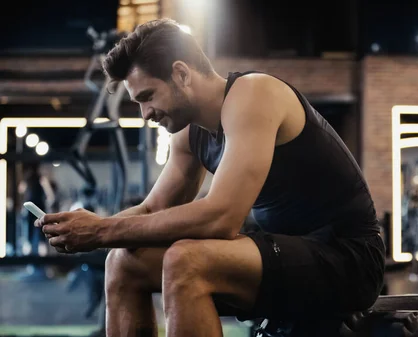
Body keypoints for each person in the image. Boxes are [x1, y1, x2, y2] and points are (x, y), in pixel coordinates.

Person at [36, 18, 385, 336]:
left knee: (186, 261)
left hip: (348, 258)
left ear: (182, 74)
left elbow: (221, 218)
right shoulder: (188, 135)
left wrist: (101, 231)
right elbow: (152, 210)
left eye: (147, 97)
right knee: (124, 262)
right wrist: (83, 228)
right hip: (286, 257)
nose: (145, 114)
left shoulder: (254, 94)